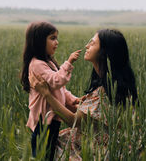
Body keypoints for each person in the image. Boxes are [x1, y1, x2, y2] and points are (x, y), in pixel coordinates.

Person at [30, 29, 139, 160]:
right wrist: (72, 102)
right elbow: (89, 119)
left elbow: (74, 121)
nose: (87, 46)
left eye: (92, 43)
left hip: (101, 150)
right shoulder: (113, 86)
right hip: (100, 142)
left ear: (104, 52)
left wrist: (46, 94)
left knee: (46, 147)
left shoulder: (105, 91)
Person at [20, 21, 82, 160]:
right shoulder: (37, 64)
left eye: (56, 38)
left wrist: (73, 99)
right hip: (44, 122)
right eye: (52, 38)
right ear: (39, 41)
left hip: (52, 120)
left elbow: (60, 89)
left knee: (49, 154)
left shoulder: (47, 62)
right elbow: (56, 81)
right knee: (43, 155)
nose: (57, 42)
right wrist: (69, 63)